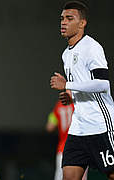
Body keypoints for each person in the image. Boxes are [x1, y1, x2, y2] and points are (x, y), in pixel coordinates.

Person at [50, 1, 114, 179]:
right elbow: (83, 83)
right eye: (62, 18)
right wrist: (71, 96)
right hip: (78, 127)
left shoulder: (91, 47)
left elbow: (103, 84)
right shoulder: (66, 53)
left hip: (100, 124)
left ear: (82, 23)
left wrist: (67, 86)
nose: (64, 22)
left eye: (69, 18)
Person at [46, 100, 88, 180]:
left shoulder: (59, 105)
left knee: (60, 176)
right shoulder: (79, 102)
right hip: (79, 149)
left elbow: (49, 127)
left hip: (62, 149)